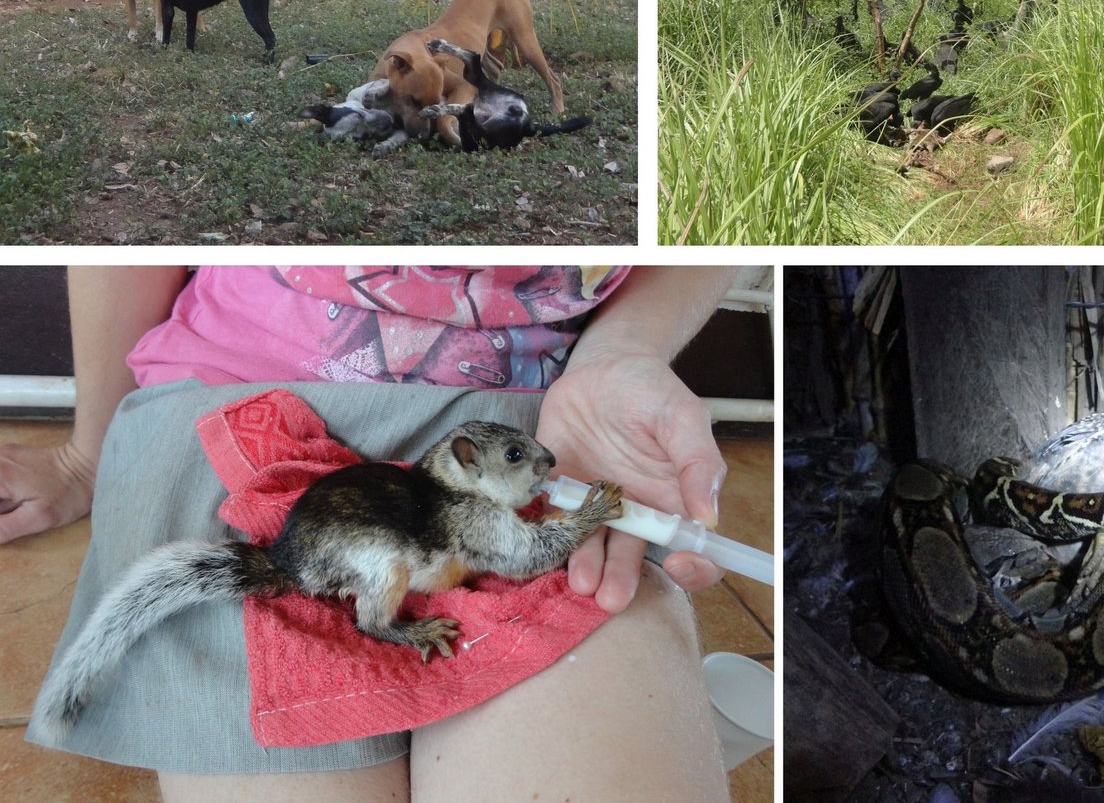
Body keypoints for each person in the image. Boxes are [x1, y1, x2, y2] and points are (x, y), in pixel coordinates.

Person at [0, 265, 741, 802]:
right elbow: (517, 554)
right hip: (240, 410)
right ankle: (384, 629)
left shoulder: (503, 475)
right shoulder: (472, 507)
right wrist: (85, 454)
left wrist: (626, 349)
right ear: (471, 467)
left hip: (558, 411)